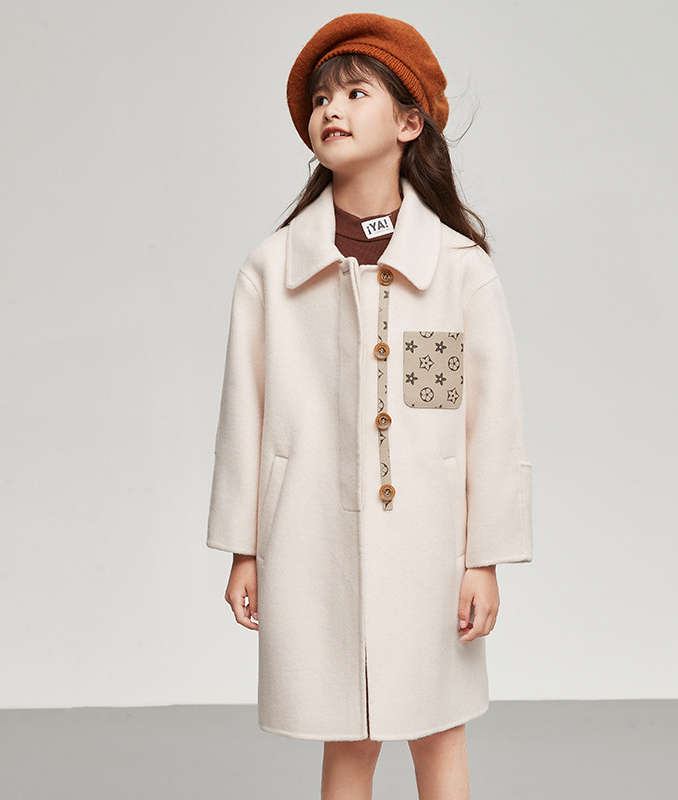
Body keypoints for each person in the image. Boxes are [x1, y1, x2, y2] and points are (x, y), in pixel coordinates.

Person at [206, 12, 533, 799]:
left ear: (409, 122)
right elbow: (243, 414)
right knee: (347, 735)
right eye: (322, 97)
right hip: (308, 538)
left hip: (429, 547)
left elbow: (484, 424)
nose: (332, 109)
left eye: (356, 93)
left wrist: (482, 558)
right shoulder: (271, 269)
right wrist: (244, 548)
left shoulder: (457, 269)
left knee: (437, 727)